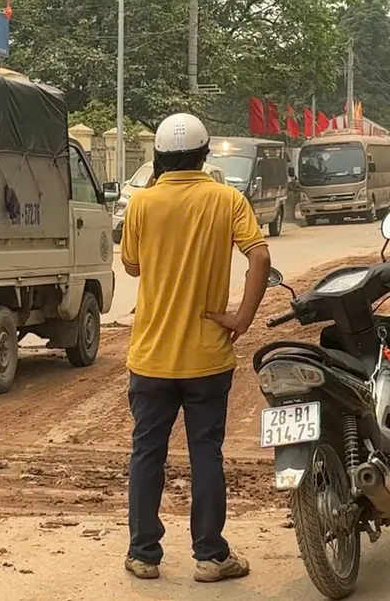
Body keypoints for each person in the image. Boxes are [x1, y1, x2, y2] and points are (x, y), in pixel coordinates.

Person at [120, 113, 272, 582]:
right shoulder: (227, 200)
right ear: (205, 156)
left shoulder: (143, 204)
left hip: (150, 355)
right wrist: (242, 318)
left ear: (160, 158)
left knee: (148, 453)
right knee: (206, 452)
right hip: (208, 356)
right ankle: (210, 556)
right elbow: (260, 256)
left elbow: (132, 267)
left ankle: (144, 554)